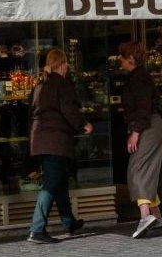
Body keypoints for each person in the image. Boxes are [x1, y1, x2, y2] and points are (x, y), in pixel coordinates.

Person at [27, 49, 93, 244]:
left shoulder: (40, 85)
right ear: (63, 65)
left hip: (40, 139)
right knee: (51, 183)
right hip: (55, 140)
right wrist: (83, 124)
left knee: (60, 180)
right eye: (67, 64)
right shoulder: (61, 84)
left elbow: (32, 110)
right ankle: (37, 229)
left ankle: (68, 221)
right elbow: (69, 110)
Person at [119, 41, 162, 239]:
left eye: (122, 57)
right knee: (147, 170)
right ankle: (157, 215)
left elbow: (143, 108)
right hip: (151, 126)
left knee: (137, 169)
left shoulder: (138, 78)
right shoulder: (139, 76)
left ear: (130, 59)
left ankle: (145, 216)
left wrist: (136, 132)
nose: (119, 60)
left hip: (148, 127)